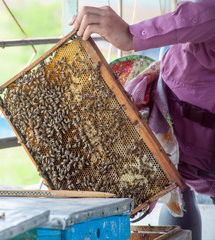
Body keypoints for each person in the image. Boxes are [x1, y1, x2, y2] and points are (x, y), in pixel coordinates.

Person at [69, 1, 215, 240]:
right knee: (178, 193)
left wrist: (132, 35)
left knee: (179, 194)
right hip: (167, 109)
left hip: (204, 142)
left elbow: (205, 12)